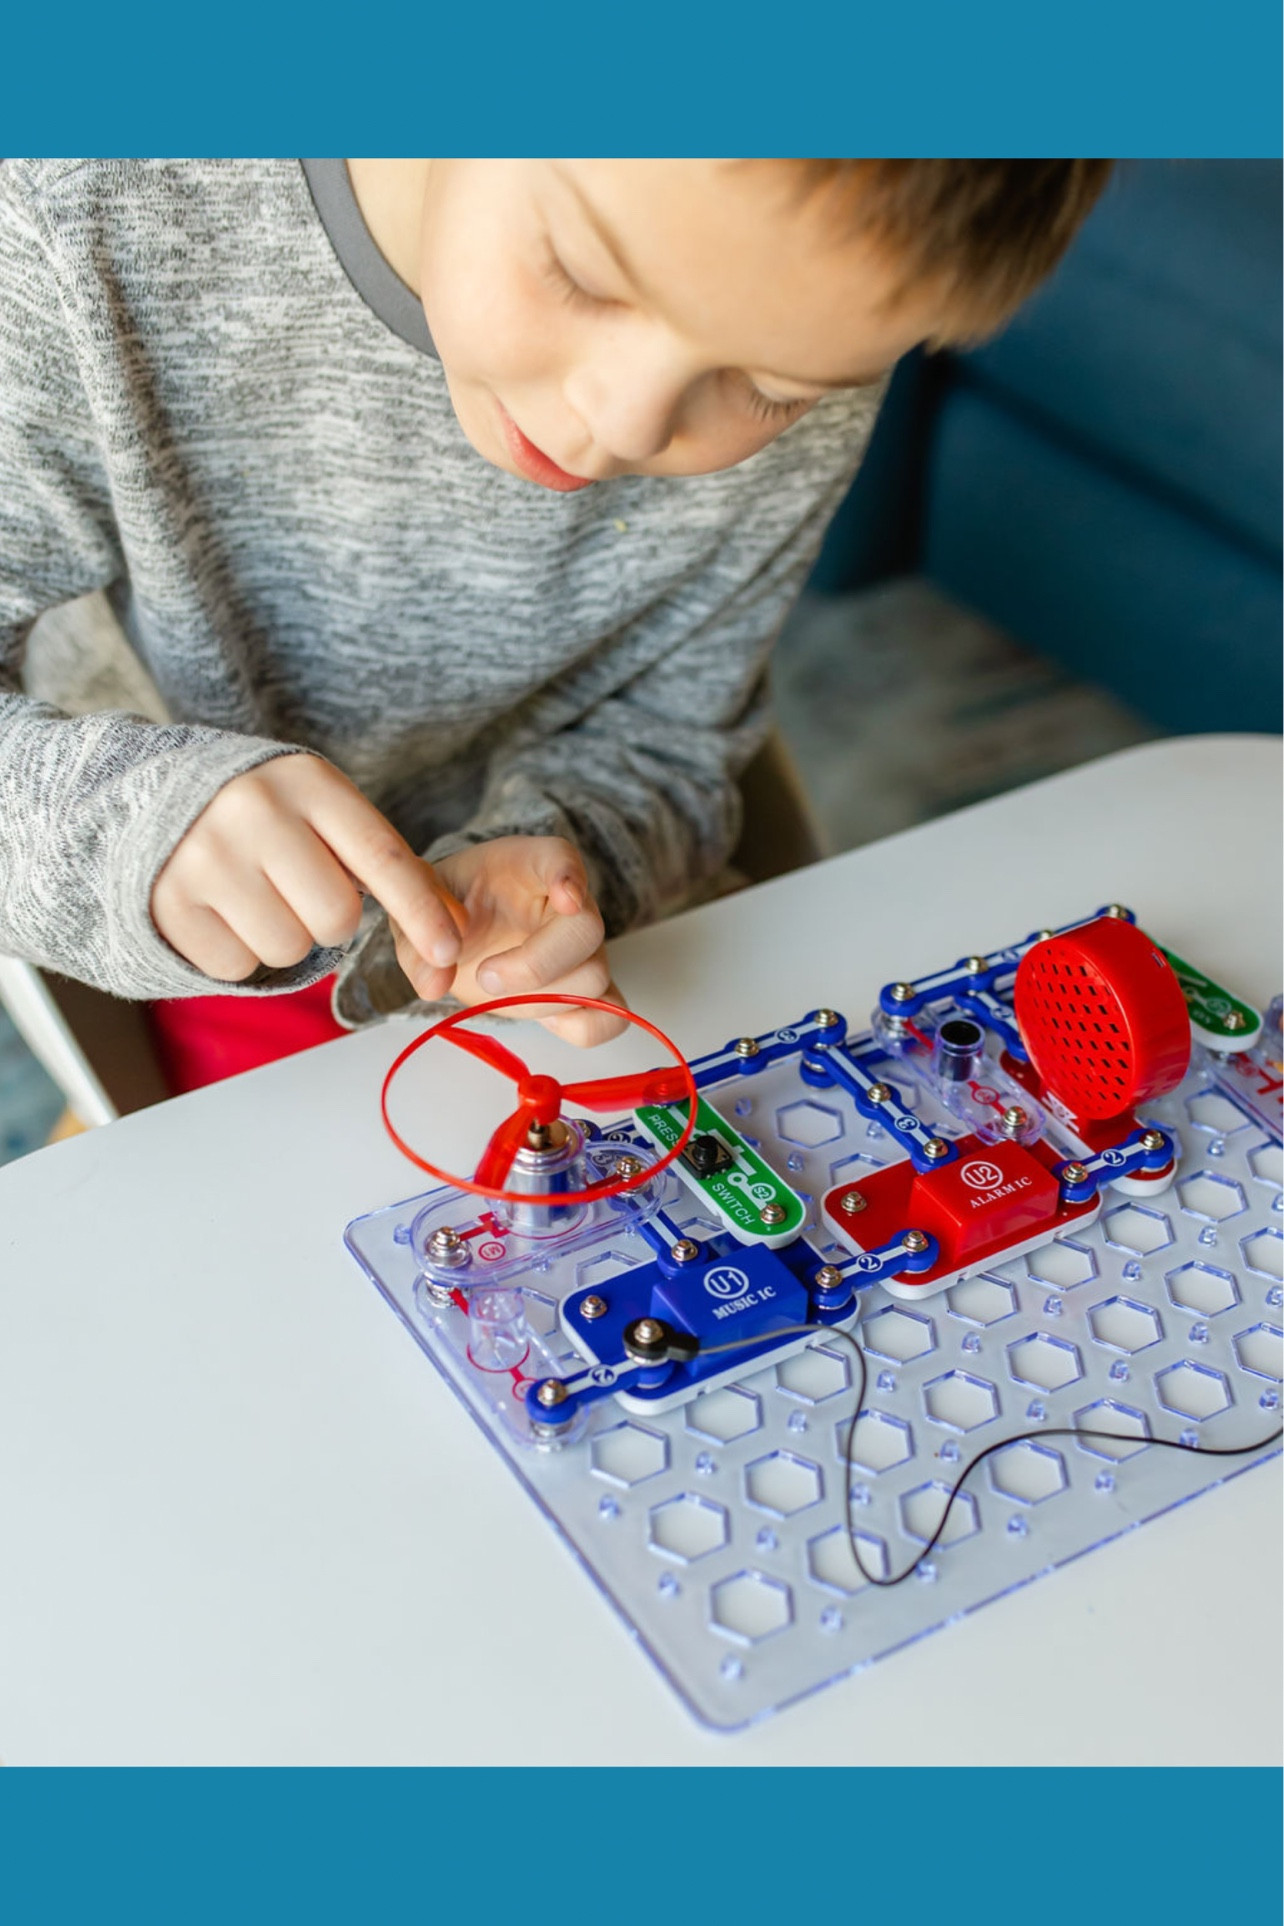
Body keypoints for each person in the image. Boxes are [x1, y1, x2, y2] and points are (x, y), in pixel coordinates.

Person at [0, 159, 1111, 1090]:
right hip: (220, 917)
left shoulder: (813, 313)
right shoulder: (81, 208)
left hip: (568, 937)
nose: (618, 425)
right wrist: (137, 828)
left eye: (769, 387)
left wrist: (571, 848)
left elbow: (671, 733)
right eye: (584, 275)